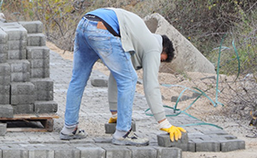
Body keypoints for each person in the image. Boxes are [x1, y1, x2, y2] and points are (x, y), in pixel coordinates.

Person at [61, 8, 186, 146]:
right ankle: (123, 133)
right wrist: (164, 122)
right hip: (103, 29)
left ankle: (69, 128)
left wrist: (115, 113)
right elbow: (151, 85)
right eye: (161, 60)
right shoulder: (153, 46)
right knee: (129, 79)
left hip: (85, 23)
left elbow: (116, 75)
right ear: (163, 49)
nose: (158, 62)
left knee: (78, 80)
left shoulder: (138, 37)